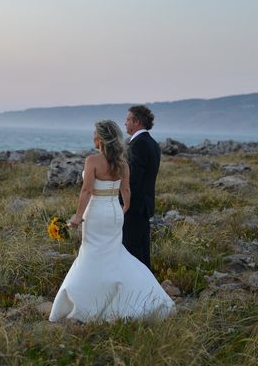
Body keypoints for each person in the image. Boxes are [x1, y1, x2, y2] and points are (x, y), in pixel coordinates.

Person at [49, 120, 174, 322]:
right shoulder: (122, 163)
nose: (92, 136)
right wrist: (124, 206)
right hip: (114, 213)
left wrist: (78, 216)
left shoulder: (92, 161)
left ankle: (84, 304)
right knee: (113, 254)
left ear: (100, 138)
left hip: (96, 213)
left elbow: (86, 190)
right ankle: (135, 295)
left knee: (90, 255)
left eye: (94, 133)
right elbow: (126, 190)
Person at [121, 105, 160, 270]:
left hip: (134, 207)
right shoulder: (152, 143)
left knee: (132, 252)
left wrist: (124, 202)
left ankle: (138, 292)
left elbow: (133, 179)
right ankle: (148, 290)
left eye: (128, 119)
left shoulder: (138, 144)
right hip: (145, 205)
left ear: (136, 121)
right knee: (143, 251)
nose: (125, 123)